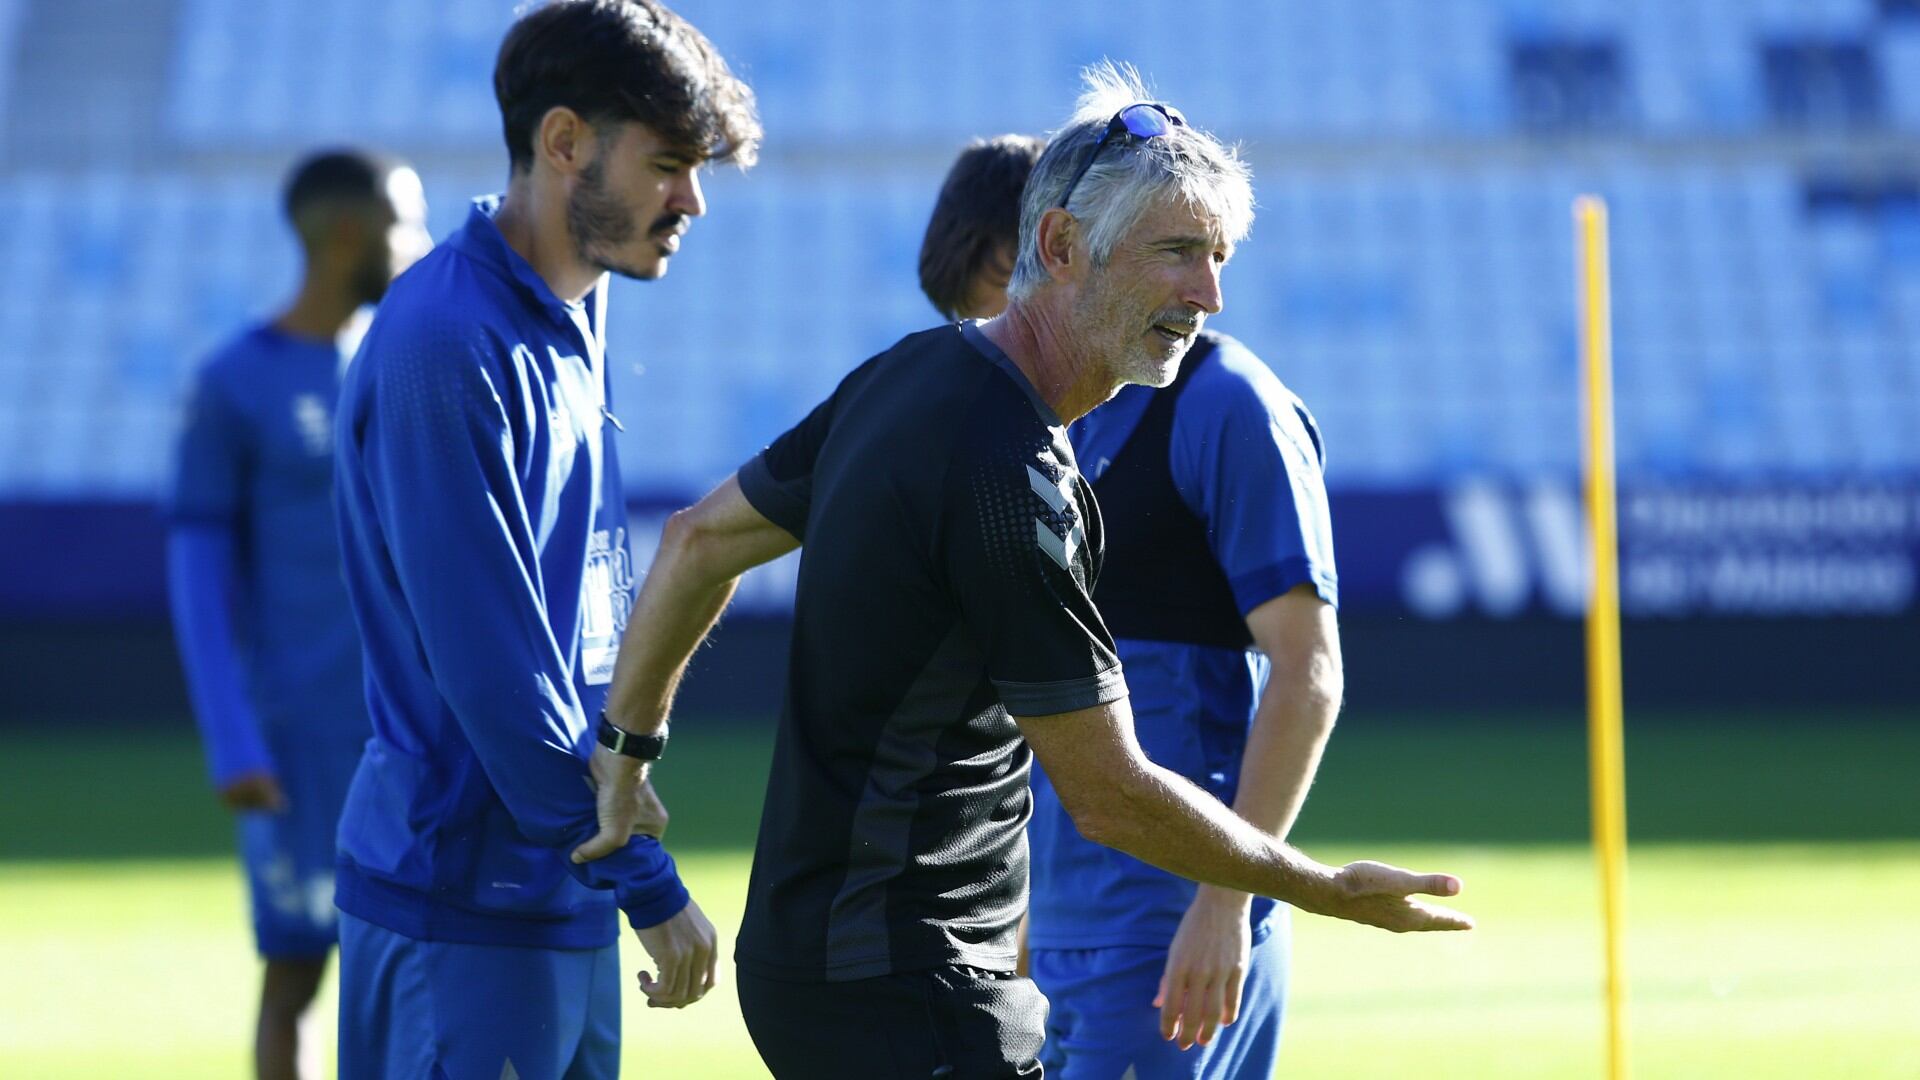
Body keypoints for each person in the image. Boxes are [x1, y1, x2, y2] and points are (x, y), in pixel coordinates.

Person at [599, 61, 1471, 1080]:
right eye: (1176, 252)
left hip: (808, 970)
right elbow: (1109, 795)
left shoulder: (906, 374)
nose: (1209, 294)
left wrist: (626, 752)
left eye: (1219, 257)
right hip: (916, 991)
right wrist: (1319, 888)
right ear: (1059, 246)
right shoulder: (1012, 475)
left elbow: (696, 542)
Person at [326, 2, 760, 1076]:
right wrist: (642, 877)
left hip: (559, 881)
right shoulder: (444, 342)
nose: (693, 201)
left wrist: (616, 786)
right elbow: (491, 668)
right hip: (459, 900)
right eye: (668, 164)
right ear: (564, 141)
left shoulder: (574, 307)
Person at [923, 118, 1337, 1077]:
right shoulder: (1044, 427)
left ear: (1058, 253)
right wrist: (1021, 924)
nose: (994, 345)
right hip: (1060, 930)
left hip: (1170, 937)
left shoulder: (1228, 403)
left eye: (997, 307)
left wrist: (1226, 901)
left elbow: (1309, 673)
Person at [166, 148, 430, 1080]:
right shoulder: (236, 381)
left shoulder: (402, 366)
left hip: (411, 732)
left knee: (422, 971)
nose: (422, 245)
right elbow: (198, 571)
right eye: (407, 223)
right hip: (298, 735)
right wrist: (232, 738)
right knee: (297, 973)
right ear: (350, 232)